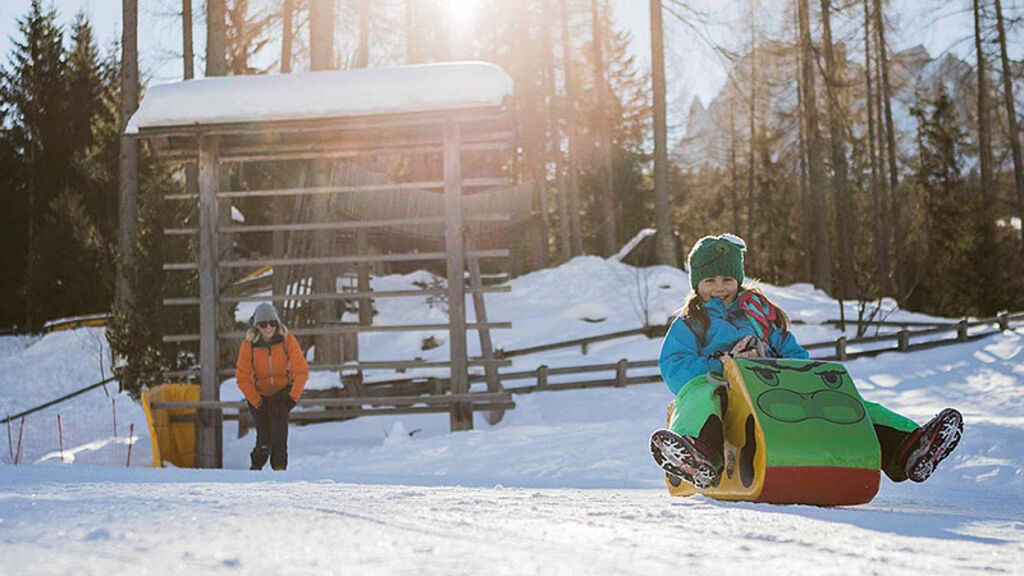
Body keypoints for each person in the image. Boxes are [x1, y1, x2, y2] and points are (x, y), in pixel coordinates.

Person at [649, 234, 963, 490]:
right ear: (697, 284)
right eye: (710, 280)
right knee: (700, 394)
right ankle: (697, 452)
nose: (719, 287)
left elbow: (793, 352)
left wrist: (787, 368)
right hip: (723, 390)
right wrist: (723, 366)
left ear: (738, 279)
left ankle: (908, 446)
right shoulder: (692, 321)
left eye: (727, 278)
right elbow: (674, 362)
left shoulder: (761, 316)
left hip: (769, 386)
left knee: (840, 401)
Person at [235, 302, 309, 471]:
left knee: (279, 439)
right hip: (259, 396)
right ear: (256, 326)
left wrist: (292, 398)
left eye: (272, 323)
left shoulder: (287, 340)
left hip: (281, 395)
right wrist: (257, 401)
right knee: (264, 439)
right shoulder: (249, 345)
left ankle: (279, 472)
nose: (268, 328)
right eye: (263, 324)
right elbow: (242, 377)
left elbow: (301, 371)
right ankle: (256, 468)